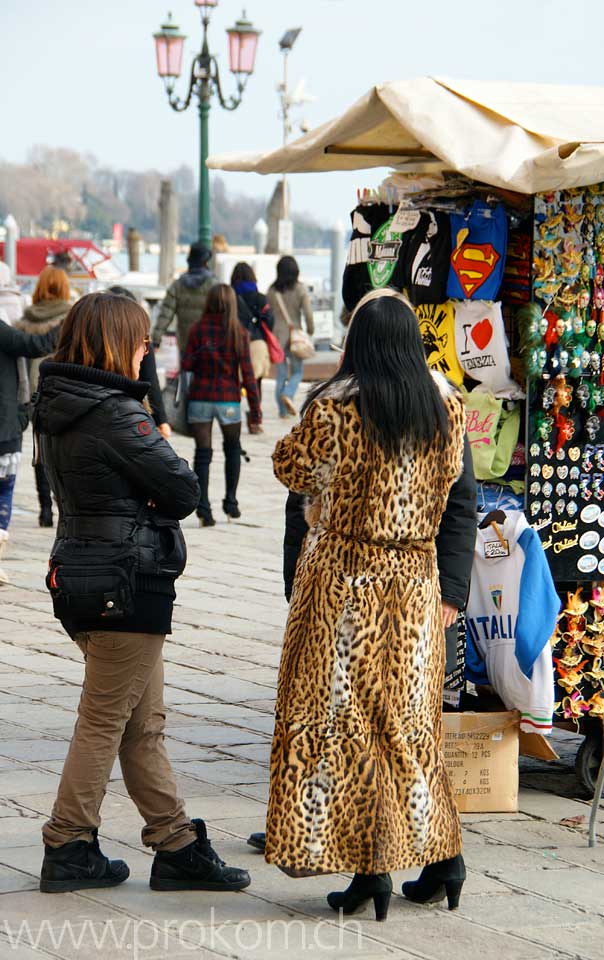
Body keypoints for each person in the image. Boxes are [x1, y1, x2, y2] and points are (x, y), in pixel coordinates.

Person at [33, 292, 250, 895]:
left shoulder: (60, 405)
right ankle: (68, 840)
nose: (146, 351)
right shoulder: (117, 415)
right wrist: (149, 417)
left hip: (82, 574)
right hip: (127, 583)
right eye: (142, 341)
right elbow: (182, 490)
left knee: (140, 721)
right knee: (106, 719)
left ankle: (175, 842)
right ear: (117, 343)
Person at [265, 289, 471, 921]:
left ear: (356, 344)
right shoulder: (446, 408)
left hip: (344, 586)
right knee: (410, 729)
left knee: (343, 726)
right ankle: (444, 859)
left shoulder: (337, 410)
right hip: (413, 583)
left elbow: (287, 468)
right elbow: (460, 497)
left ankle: (370, 870)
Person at [181, 284, 260, 526]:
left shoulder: (197, 331)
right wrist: (255, 410)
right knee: (232, 448)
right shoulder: (239, 332)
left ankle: (204, 507)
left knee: (202, 454)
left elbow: (186, 366)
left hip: (201, 398)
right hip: (228, 398)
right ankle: (231, 502)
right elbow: (247, 374)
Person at [0, 317, 59, 583]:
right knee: (4, 490)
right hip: (3, 427)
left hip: (8, 422)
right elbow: (38, 345)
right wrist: (69, 322)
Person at [14, 266, 71, 527]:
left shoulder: (27, 319)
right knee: (65, 450)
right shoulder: (70, 317)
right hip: (64, 390)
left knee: (40, 450)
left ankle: (44, 508)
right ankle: (64, 505)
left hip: (35, 393)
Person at [107, 285, 172, 440]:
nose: (145, 350)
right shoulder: (139, 339)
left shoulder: (95, 340)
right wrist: (161, 419)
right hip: (129, 414)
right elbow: (150, 379)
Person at [267, 255, 314, 418]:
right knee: (297, 372)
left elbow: (268, 315)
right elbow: (308, 313)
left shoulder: (272, 291)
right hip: (295, 337)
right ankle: (288, 393)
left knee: (280, 375)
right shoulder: (300, 289)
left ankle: (282, 411)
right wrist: (310, 330)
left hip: (277, 337)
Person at [231, 261, 274, 434]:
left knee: (234, 381)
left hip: (234, 341)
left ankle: (233, 418)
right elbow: (270, 320)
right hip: (256, 342)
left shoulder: (230, 296)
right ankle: (255, 421)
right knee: (255, 383)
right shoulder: (260, 298)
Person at [152, 242, 216, 355]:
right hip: (209, 341)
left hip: (186, 342)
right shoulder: (214, 284)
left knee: (186, 370)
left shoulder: (178, 285)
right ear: (206, 261)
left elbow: (165, 314)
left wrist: (156, 339)